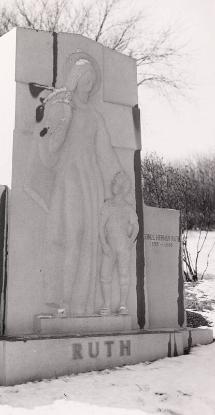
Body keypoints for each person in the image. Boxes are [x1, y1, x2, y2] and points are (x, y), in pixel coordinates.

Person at [31, 54, 122, 316]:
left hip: (90, 182)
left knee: (88, 240)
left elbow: (105, 153)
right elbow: (51, 147)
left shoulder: (95, 117)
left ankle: (81, 300)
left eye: (93, 79)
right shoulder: (62, 107)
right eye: (86, 78)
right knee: (73, 236)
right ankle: (64, 300)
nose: (90, 84)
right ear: (76, 79)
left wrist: (119, 179)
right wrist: (64, 120)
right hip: (69, 179)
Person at [99, 171, 139, 316]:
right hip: (109, 245)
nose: (113, 185)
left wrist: (130, 241)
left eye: (116, 183)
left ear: (123, 187)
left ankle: (122, 304)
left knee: (124, 274)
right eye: (114, 182)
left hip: (123, 245)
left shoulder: (128, 208)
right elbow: (101, 227)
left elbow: (136, 226)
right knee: (105, 275)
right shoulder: (107, 206)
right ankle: (106, 305)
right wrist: (103, 244)